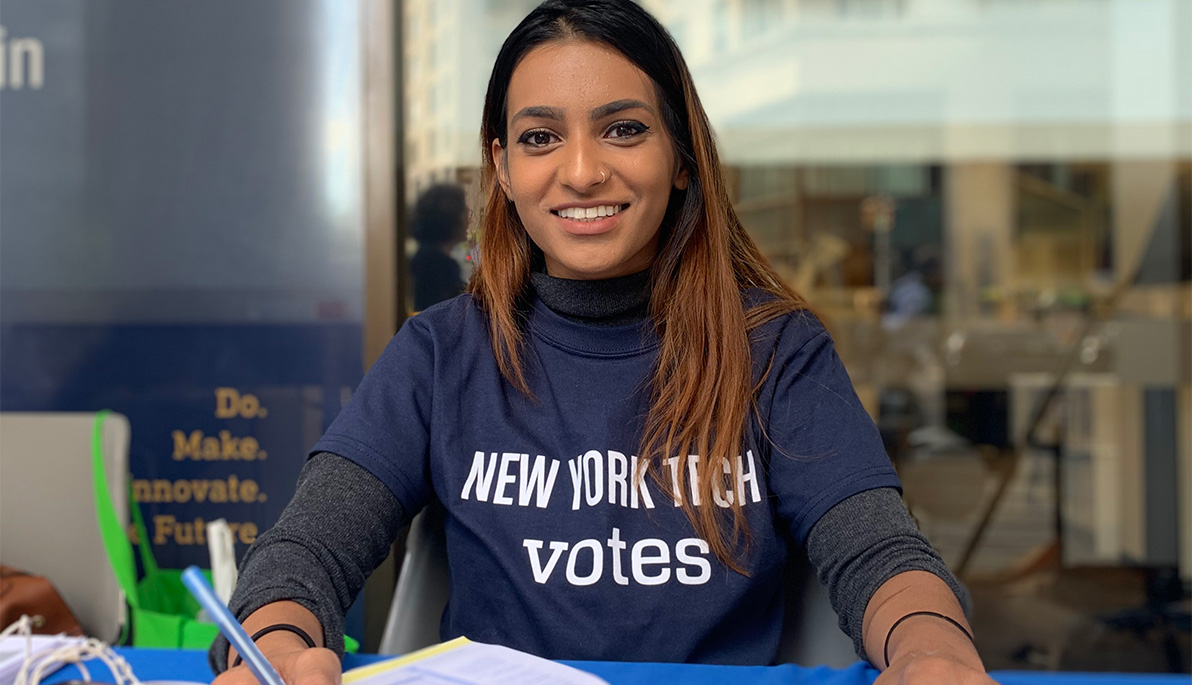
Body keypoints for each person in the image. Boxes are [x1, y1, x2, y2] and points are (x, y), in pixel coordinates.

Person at [211, 1, 994, 683]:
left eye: (623, 129)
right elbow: (307, 547)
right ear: (505, 168)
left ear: (682, 156)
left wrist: (933, 653)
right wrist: (278, 640)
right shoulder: (438, 353)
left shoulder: (776, 351)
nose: (581, 171)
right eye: (541, 137)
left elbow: (879, 552)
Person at [409, 184, 469, 311]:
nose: (468, 220)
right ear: (452, 219)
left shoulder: (427, 257)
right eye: (464, 213)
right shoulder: (436, 265)